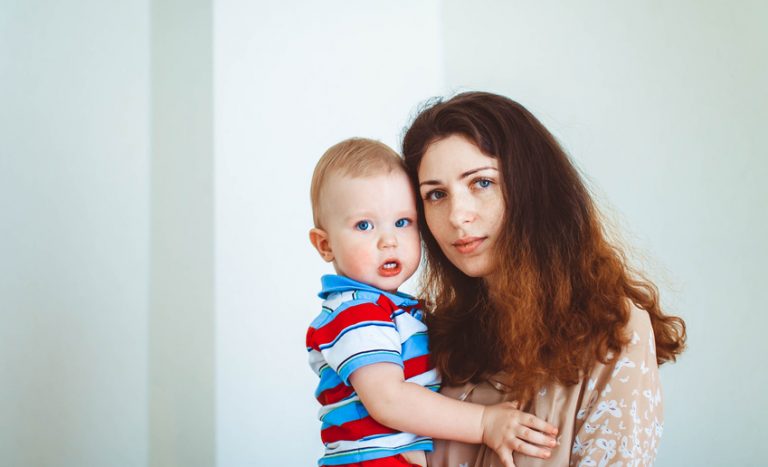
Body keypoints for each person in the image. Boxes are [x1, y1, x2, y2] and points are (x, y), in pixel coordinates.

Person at [401, 92, 687, 467]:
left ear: (531, 188)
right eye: (436, 194)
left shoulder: (613, 330)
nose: (457, 215)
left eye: (482, 183)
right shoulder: (426, 335)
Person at [305, 138, 558, 467]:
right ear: (325, 245)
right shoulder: (356, 312)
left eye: (402, 222)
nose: (388, 241)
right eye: (364, 225)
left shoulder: (389, 307)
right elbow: (389, 400)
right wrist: (484, 423)